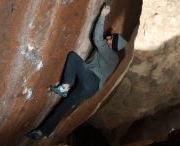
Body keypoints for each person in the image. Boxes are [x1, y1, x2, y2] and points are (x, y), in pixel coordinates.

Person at [27, 4, 127, 140]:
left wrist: (102, 16)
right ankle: (42, 132)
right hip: (89, 89)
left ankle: (65, 86)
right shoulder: (112, 58)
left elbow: (97, 39)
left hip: (90, 79)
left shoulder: (111, 54)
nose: (108, 37)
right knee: (63, 107)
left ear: (111, 44)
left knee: (73, 57)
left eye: (110, 38)